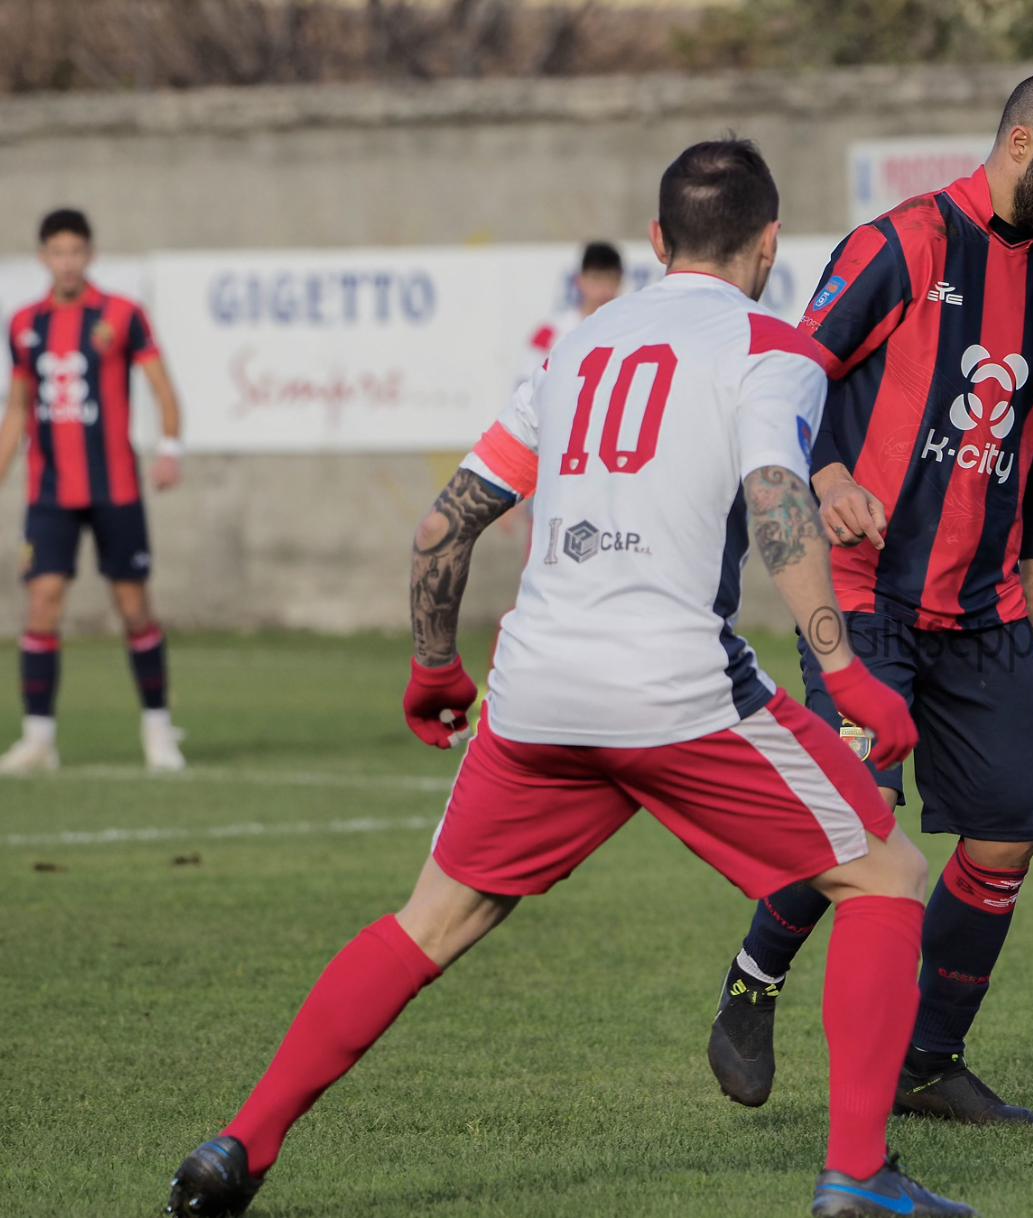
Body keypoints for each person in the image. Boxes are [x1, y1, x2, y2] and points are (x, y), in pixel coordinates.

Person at [165, 140, 974, 1218]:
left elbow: (444, 521)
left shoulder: (579, 345)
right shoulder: (774, 347)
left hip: (536, 690)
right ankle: (857, 1178)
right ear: (770, 246)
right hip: (674, 688)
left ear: (653, 243)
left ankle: (237, 1147)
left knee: (428, 922)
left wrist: (433, 666)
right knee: (884, 879)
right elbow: (781, 499)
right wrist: (846, 670)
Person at [703, 67, 1033, 1124]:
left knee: (1003, 834)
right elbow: (789, 377)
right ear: (1021, 144)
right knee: (858, 815)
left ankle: (925, 1063)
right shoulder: (898, 246)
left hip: (982, 608)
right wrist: (830, 469)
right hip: (861, 594)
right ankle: (754, 982)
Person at [0, 208, 187, 774]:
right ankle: (38, 739)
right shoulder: (24, 323)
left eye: (75, 251)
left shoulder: (122, 315)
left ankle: (158, 729)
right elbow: (17, 408)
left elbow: (160, 384)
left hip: (116, 489)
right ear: (43, 258)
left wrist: (170, 448)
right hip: (50, 492)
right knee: (43, 600)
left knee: (133, 607)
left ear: (90, 255)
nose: (67, 262)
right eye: (57, 252)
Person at [518, 240, 623, 385]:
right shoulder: (551, 330)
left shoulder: (628, 330)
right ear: (580, 280)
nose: (603, 290)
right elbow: (526, 383)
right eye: (596, 279)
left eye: (611, 279)